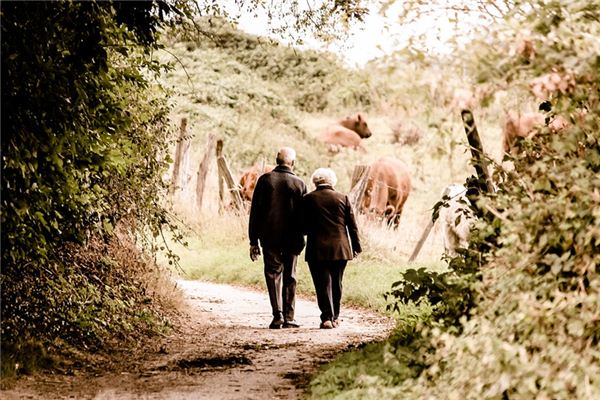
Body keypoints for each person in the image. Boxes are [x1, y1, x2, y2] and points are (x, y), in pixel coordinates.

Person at [248, 147, 307, 329]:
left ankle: (277, 315)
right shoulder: (299, 183)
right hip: (293, 238)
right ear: (293, 163)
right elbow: (305, 215)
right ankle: (290, 317)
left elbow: (255, 213)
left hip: (269, 237)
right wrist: (304, 235)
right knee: (290, 275)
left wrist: (253, 241)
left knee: (273, 274)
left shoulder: (265, 181)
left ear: (276, 160)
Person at [301, 168, 362, 329]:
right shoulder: (343, 198)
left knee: (322, 284)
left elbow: (302, 226)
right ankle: (335, 317)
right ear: (332, 181)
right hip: (340, 248)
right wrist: (356, 247)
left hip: (317, 249)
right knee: (337, 282)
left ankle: (326, 318)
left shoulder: (307, 199)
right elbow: (352, 226)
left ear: (315, 181)